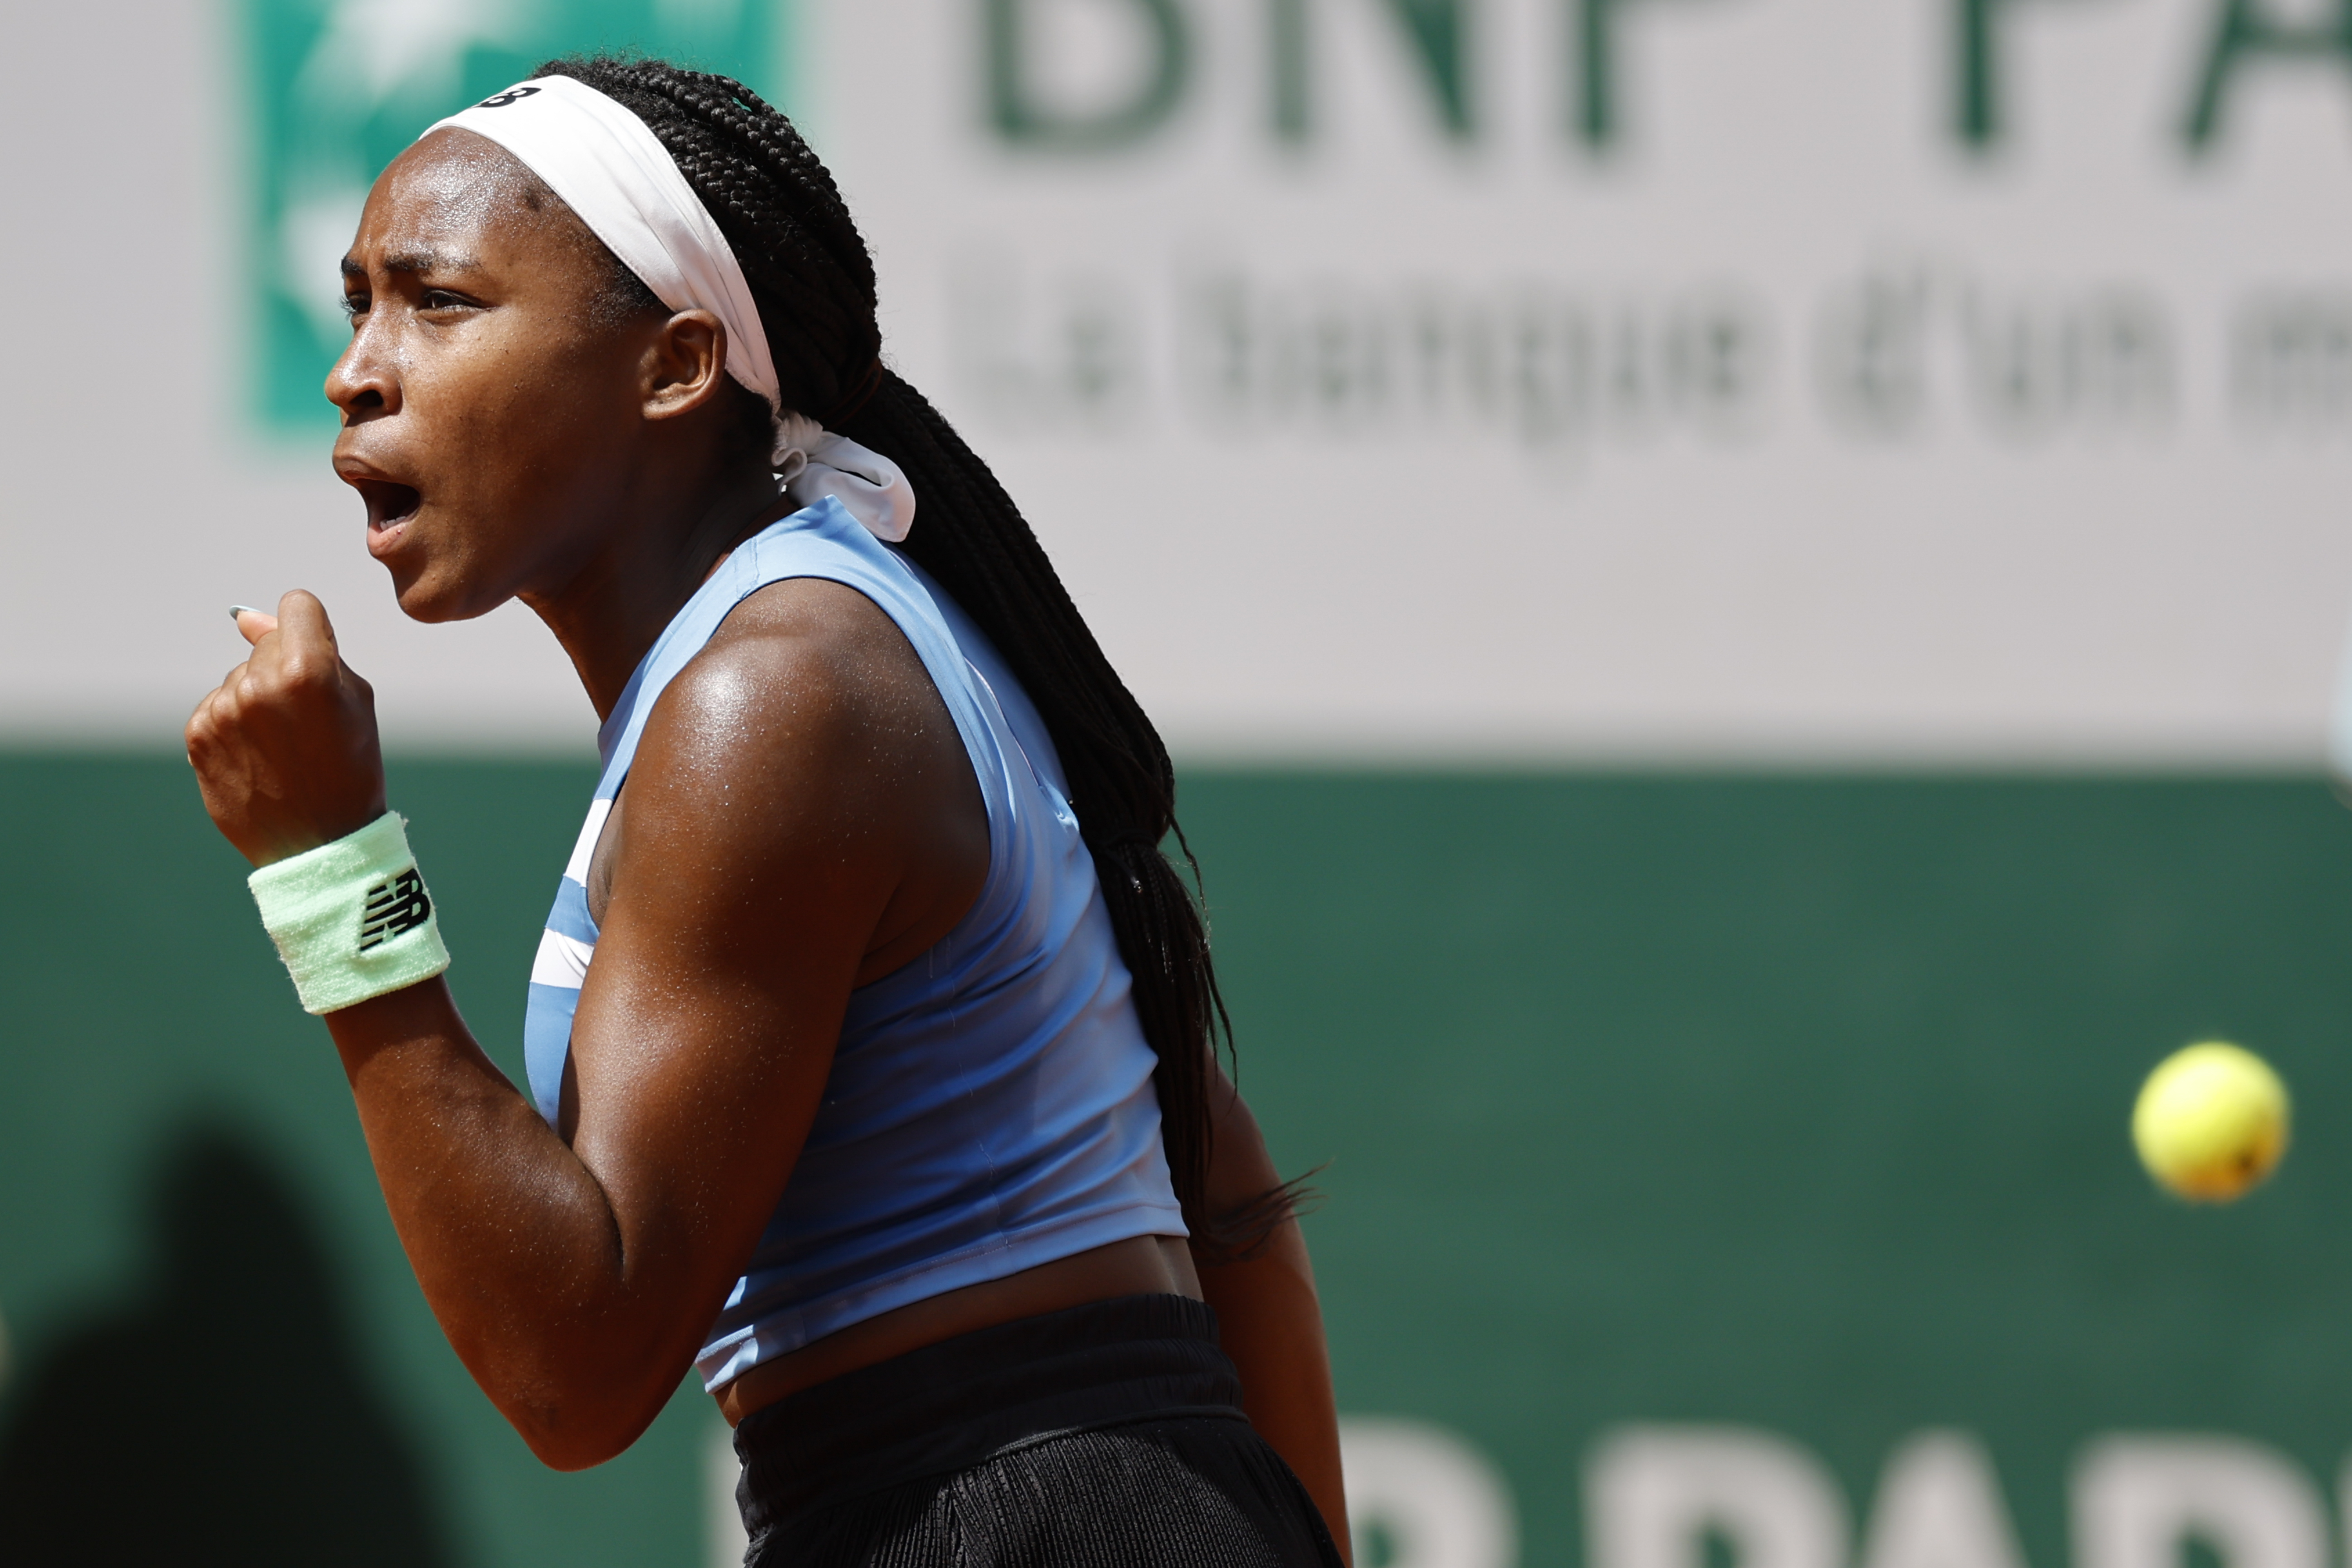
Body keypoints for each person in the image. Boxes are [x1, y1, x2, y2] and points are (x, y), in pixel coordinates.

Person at [184, 56, 1348, 1568]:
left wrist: (333, 871)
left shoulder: (776, 694)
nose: (358, 369)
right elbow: (1225, 1191)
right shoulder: (820, 648)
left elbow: (578, 1369)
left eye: (439, 303)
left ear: (674, 368)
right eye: (357, 306)